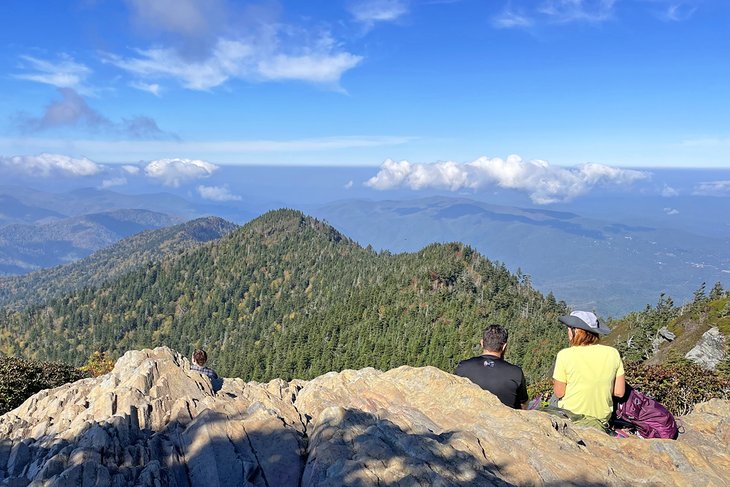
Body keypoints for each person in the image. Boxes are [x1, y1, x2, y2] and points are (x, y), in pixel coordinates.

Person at [552, 310, 625, 425]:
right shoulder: (613, 353)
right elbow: (619, 392)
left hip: (573, 419)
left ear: (576, 331)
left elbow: (559, 393)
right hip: (602, 420)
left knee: (553, 399)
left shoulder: (565, 354)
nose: (568, 332)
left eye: (569, 328)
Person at [455, 324, 529, 409]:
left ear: (482, 343)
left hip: (467, 418)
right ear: (504, 346)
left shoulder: (463, 367)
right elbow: (524, 403)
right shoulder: (516, 372)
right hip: (504, 420)